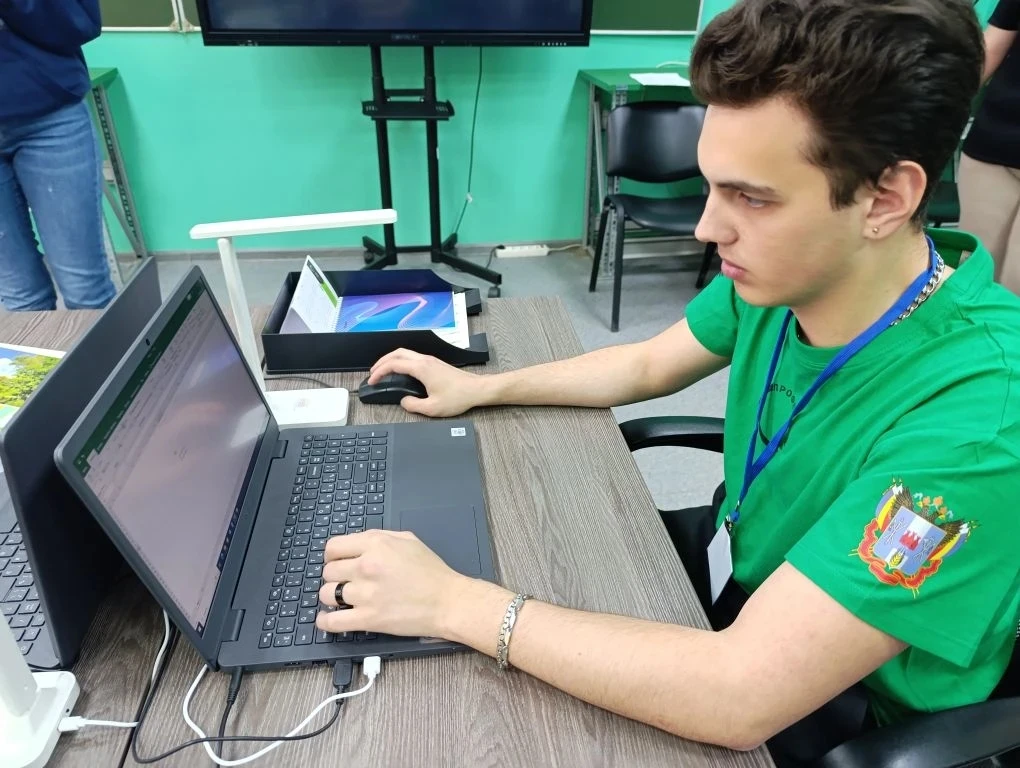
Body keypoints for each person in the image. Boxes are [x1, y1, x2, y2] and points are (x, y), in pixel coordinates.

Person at [316, 1, 1020, 764]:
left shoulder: (982, 416)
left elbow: (741, 696)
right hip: (743, 578)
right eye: (711, 186)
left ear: (885, 199)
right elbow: (649, 363)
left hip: (842, 710)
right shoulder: (794, 274)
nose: (708, 229)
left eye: (752, 197)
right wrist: (479, 388)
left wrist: (455, 604)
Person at [0, 0, 115, 311]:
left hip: (48, 113)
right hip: (47, 106)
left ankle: (106, 346)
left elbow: (80, 23)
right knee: (19, 295)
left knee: (86, 289)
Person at [959, 0, 1020, 293]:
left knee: (1015, 286)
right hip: (993, 143)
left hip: (995, 140)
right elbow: (990, 49)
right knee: (971, 275)